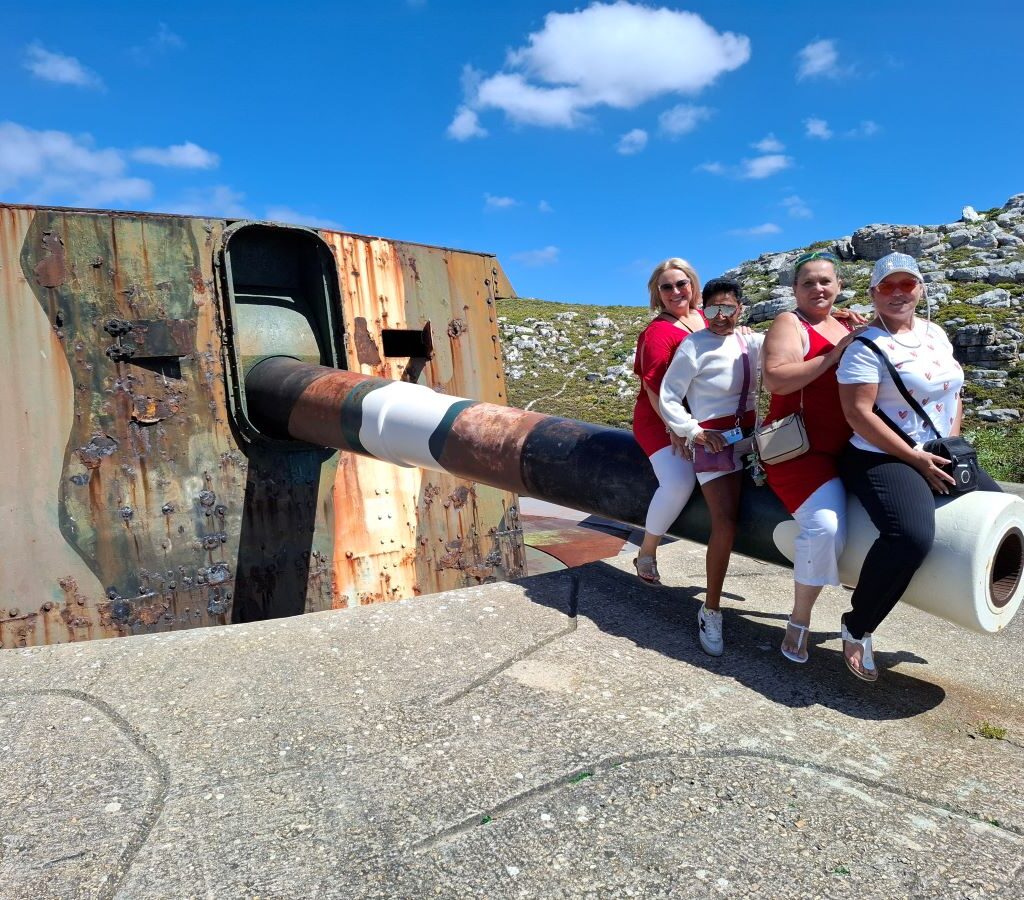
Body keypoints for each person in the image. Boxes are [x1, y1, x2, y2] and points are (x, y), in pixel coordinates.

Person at [836, 252, 1002, 682]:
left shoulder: (936, 334)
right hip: (879, 454)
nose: (897, 294)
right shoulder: (864, 346)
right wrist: (914, 457)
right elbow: (859, 414)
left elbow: (953, 395)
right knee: (909, 536)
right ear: (873, 294)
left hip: (936, 449)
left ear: (920, 290)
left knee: (1003, 515)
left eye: (906, 285)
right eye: (887, 287)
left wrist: (950, 444)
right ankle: (857, 626)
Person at [761, 250, 864, 664]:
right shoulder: (791, 323)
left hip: (849, 448)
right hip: (800, 450)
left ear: (838, 285)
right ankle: (799, 619)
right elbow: (777, 380)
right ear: (795, 290)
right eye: (808, 283)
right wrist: (834, 353)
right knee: (824, 528)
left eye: (825, 281)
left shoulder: (848, 324)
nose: (818, 289)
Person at [659, 278, 762, 656]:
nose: (720, 317)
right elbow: (670, 396)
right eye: (712, 309)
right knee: (726, 521)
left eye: (728, 309)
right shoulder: (693, 345)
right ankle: (712, 609)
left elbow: (796, 349)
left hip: (753, 438)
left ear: (740, 309)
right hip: (714, 441)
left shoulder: (752, 341)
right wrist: (693, 432)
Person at [631, 258, 706, 584]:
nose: (676, 291)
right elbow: (653, 387)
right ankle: (647, 550)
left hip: (701, 415)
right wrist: (674, 428)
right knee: (678, 481)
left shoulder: (705, 319)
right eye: (667, 287)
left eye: (681, 283)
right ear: (657, 293)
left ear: (692, 284)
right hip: (660, 417)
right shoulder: (658, 333)